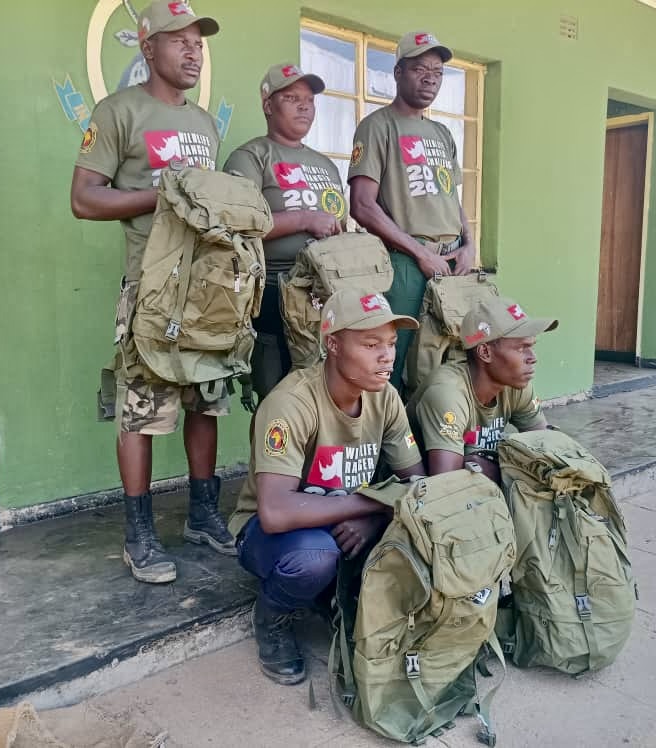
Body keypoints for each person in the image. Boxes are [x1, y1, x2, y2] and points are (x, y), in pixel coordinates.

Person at [70, 0, 234, 585]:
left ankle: (202, 513)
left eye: (198, 41)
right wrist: (162, 196)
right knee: (141, 410)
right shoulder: (119, 112)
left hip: (207, 291)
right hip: (151, 287)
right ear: (148, 48)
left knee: (204, 401)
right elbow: (85, 198)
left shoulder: (206, 124)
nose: (192, 50)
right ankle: (138, 533)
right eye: (179, 40)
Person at [229, 288, 426, 685]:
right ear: (332, 343)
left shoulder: (385, 398)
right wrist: (371, 506)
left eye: (390, 343)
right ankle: (272, 617)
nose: (386, 355)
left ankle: (335, 598)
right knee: (314, 559)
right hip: (274, 535)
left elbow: (418, 484)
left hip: (343, 519)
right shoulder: (293, 403)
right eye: (370, 344)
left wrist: (374, 520)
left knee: (422, 532)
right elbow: (276, 511)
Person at [348, 31, 477, 389]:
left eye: (437, 72)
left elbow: (450, 198)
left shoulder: (442, 133)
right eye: (420, 69)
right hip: (405, 263)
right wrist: (420, 253)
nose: (430, 79)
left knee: (449, 360)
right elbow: (361, 205)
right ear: (398, 72)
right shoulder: (377, 126)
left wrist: (470, 244)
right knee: (393, 361)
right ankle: (392, 443)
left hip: (452, 263)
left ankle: (435, 440)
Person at [223, 63, 347, 400]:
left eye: (309, 99)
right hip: (275, 292)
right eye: (292, 98)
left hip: (325, 291)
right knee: (277, 398)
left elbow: (339, 223)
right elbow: (235, 226)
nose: (304, 106)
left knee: (325, 393)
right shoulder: (251, 157)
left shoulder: (325, 164)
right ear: (268, 105)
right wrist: (305, 219)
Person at [408, 295, 558, 482]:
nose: (532, 357)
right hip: (416, 498)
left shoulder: (514, 383)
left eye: (532, 346)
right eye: (521, 348)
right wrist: (508, 468)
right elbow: (446, 485)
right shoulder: (447, 393)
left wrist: (489, 466)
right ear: (485, 352)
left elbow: (547, 450)